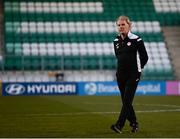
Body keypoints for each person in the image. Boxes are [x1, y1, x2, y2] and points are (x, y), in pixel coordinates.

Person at [111, 15, 148, 133]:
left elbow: (145, 57)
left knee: (127, 101)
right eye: (119, 25)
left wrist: (138, 69)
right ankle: (134, 123)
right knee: (125, 101)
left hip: (133, 75)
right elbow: (119, 57)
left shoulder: (137, 40)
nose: (121, 27)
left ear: (129, 25)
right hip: (120, 75)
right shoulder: (116, 41)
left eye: (123, 25)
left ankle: (119, 125)